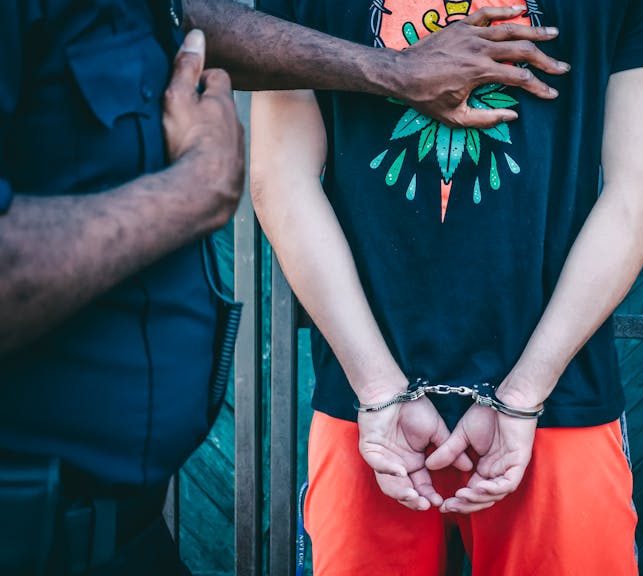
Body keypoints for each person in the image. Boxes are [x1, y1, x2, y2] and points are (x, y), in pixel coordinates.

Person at [0, 1, 569, 575]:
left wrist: (394, 71)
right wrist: (197, 189)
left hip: (121, 526)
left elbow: (174, 19)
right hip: (35, 525)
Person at [251, 0, 643, 574]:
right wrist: (525, 391)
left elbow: (279, 180)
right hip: (554, 402)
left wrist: (378, 387)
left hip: (372, 414)